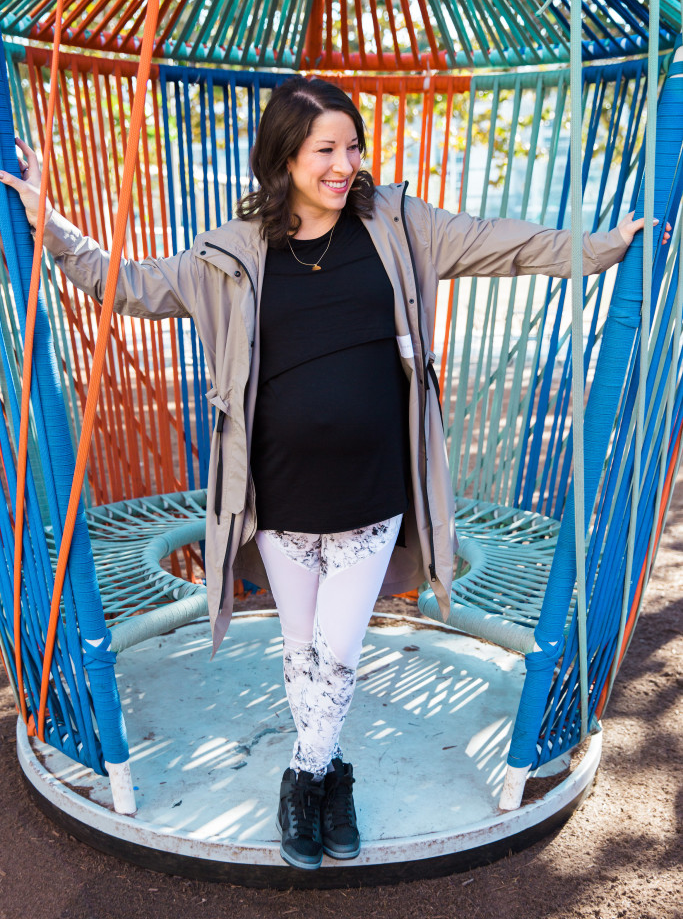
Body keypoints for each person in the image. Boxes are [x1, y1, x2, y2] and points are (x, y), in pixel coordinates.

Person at [0, 77, 666, 871]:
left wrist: (604, 247)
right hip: (278, 498)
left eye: (353, 146)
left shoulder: (399, 226)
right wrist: (57, 229)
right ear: (283, 158)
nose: (346, 163)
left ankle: (304, 777)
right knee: (299, 649)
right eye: (327, 149)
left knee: (338, 651)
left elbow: (505, 242)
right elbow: (134, 288)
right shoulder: (232, 254)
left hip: (372, 494)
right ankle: (328, 774)